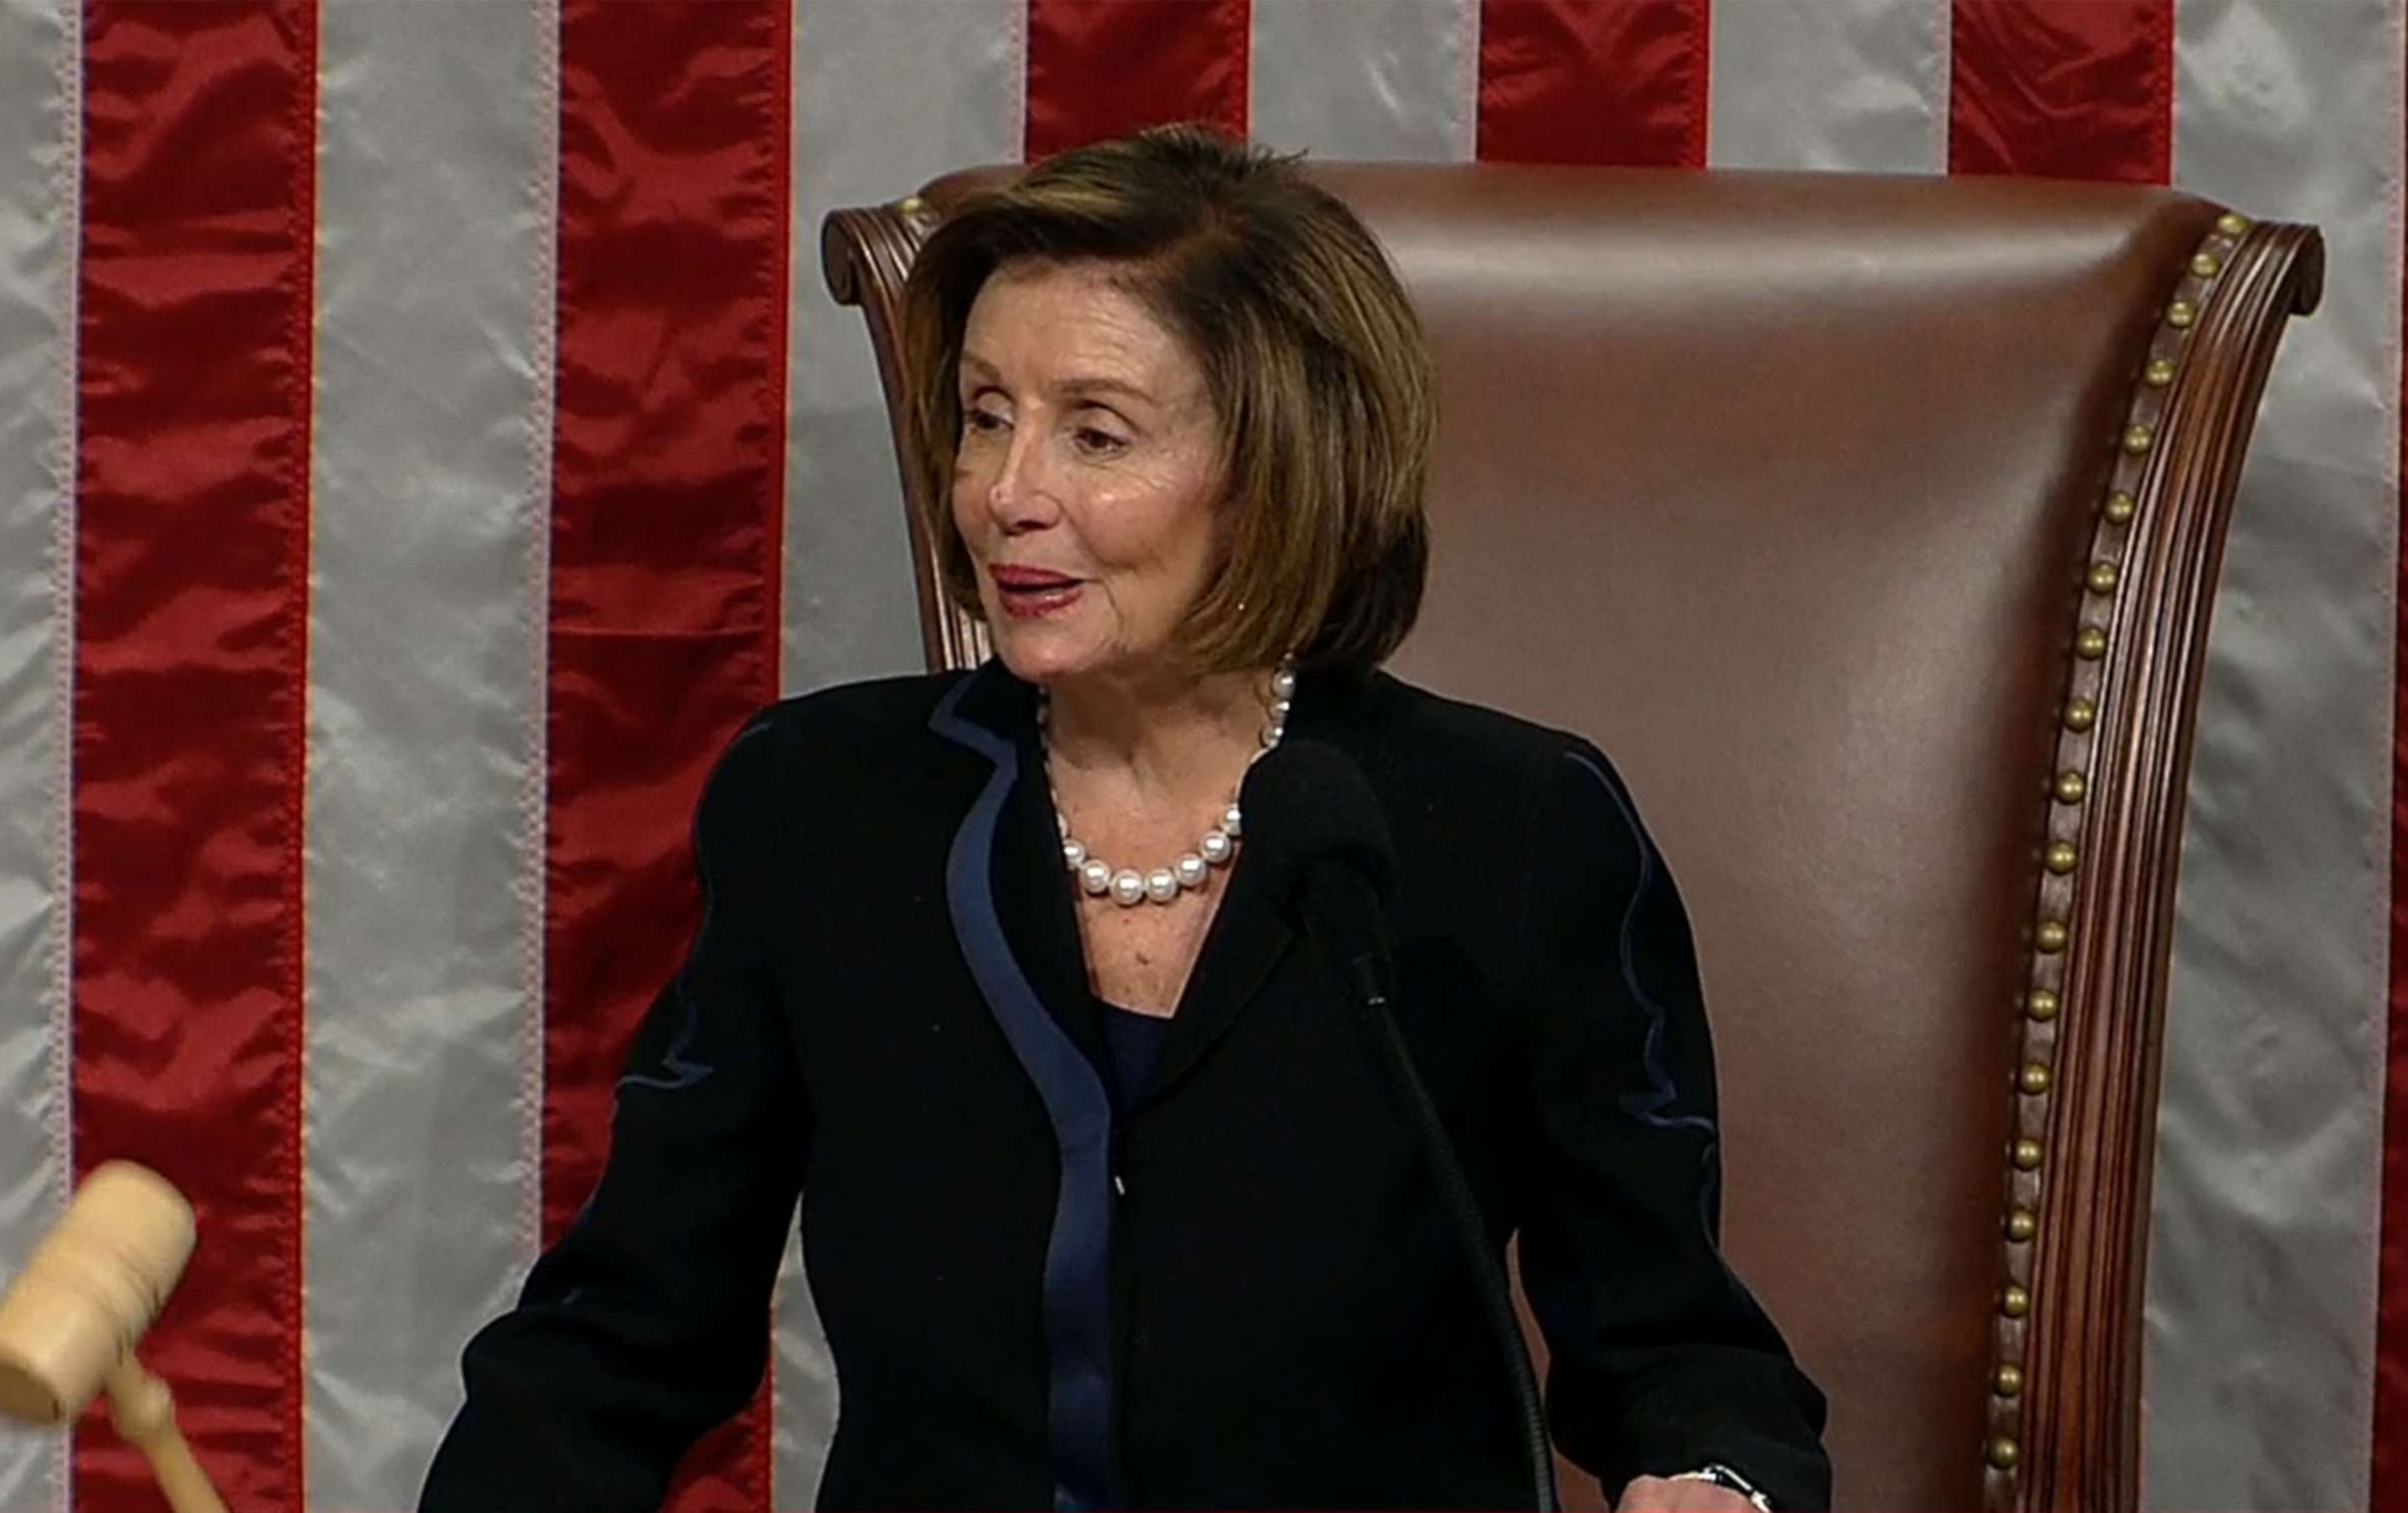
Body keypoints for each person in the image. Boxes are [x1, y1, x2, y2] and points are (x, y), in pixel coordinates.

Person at [420, 124, 1829, 1513]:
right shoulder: (828, 808)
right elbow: (625, 1332)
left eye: (1094, 432)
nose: (1005, 494)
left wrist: (1712, 1480)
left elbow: (1682, 1353)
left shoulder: (1509, 832)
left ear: (1278, 464)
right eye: (984, 416)